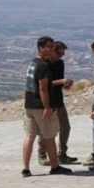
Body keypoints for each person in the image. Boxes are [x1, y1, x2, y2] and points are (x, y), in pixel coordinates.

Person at [22, 36, 72, 177]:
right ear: (40, 48)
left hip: (29, 104)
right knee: (49, 137)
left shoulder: (33, 62)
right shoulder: (43, 65)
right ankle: (55, 166)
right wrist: (48, 108)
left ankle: (26, 168)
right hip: (40, 106)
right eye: (49, 46)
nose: (51, 49)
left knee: (30, 136)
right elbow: (43, 89)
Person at [38, 41, 77, 165]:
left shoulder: (60, 63)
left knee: (65, 127)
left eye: (63, 53)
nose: (61, 55)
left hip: (58, 100)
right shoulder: (44, 65)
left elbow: (57, 83)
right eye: (59, 53)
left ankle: (62, 153)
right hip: (47, 102)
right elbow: (43, 85)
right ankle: (42, 155)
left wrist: (65, 85)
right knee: (46, 129)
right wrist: (61, 81)